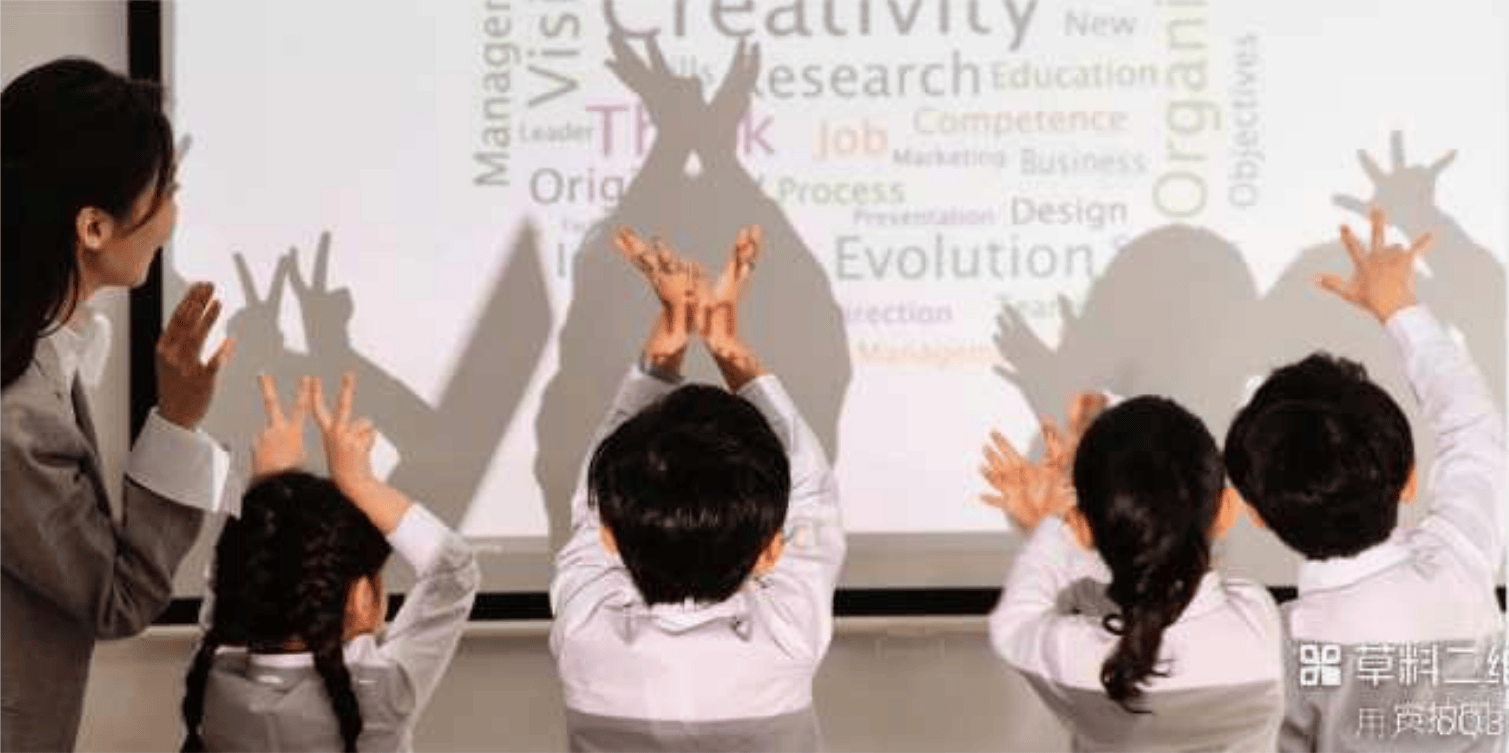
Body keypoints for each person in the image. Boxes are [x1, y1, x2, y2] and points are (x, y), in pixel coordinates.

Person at [2, 57, 237, 752]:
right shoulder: (18, 417)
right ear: (94, 227)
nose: (172, 216)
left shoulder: (43, 355)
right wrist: (178, 422)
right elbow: (116, 596)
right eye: (166, 191)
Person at [549, 226, 845, 751]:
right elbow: (812, 490)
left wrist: (674, 329)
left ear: (611, 537)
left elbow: (808, 492)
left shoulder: (585, 640)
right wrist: (723, 342)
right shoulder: (788, 639)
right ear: (771, 550)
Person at [1225, 210, 1505, 752]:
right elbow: (1474, 430)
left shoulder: (1285, 646)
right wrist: (1399, 308)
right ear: (1410, 479)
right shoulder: (1461, 563)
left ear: (1255, 513)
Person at [181, 374, 478, 751]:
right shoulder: (379, 700)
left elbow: (232, 581)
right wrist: (361, 482)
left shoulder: (213, 688)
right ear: (362, 598)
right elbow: (453, 570)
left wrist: (270, 489)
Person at [982, 393, 1285, 751]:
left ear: (1083, 529)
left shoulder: (1074, 656)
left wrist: (1052, 528)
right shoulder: (1259, 621)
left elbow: (1015, 624)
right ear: (1227, 511)